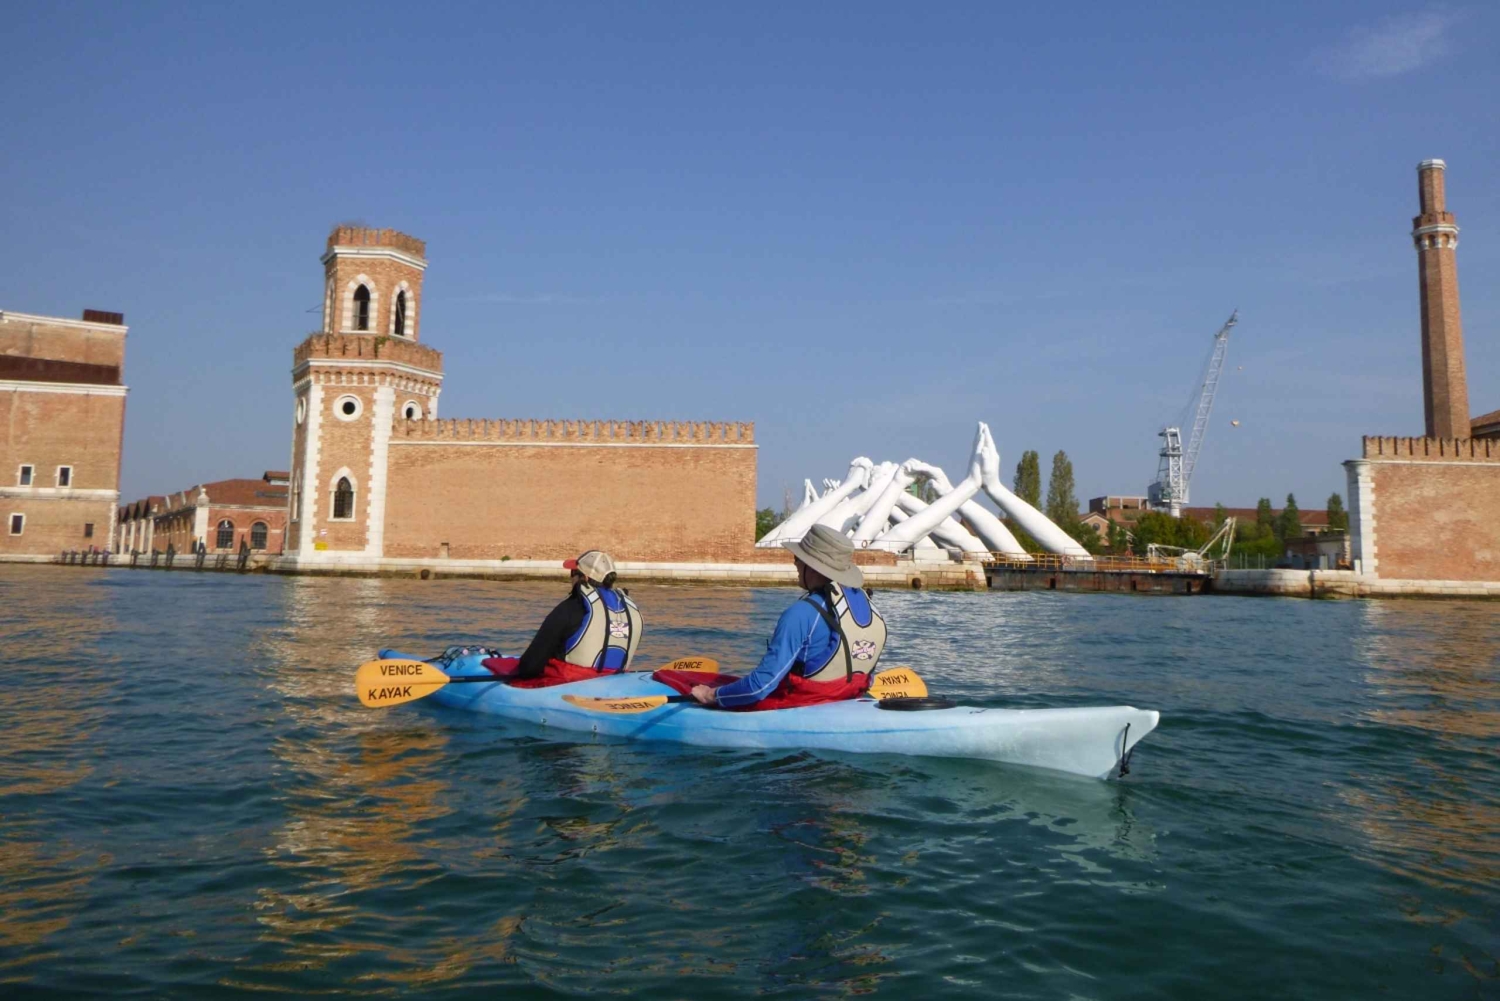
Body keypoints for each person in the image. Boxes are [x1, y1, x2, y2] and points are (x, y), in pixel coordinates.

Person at [686, 524, 886, 710]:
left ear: (814, 567)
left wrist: (712, 695)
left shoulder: (801, 613)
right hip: (848, 700)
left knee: (684, 683)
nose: (794, 562)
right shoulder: (870, 608)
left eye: (799, 558)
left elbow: (759, 687)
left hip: (801, 705)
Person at [482, 550, 643, 687]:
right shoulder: (629, 608)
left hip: (570, 684)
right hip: (616, 682)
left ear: (584, 578)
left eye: (573, 573)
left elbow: (529, 668)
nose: (571, 578)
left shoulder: (571, 607)